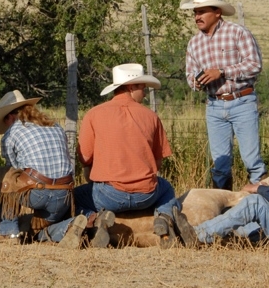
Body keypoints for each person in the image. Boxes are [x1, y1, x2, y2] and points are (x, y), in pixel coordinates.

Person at [63, 63, 183, 249]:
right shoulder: (151, 116)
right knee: (166, 188)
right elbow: (157, 163)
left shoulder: (94, 114)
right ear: (131, 87)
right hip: (147, 195)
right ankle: (164, 218)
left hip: (108, 195)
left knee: (74, 197)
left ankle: (95, 218)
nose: (144, 92)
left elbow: (85, 158)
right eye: (142, 87)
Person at [182, 0, 266, 190]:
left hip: (242, 101)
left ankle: (262, 206)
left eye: (201, 11)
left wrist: (222, 72)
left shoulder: (238, 33)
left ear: (217, 12)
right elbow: (190, 76)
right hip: (214, 106)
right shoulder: (194, 44)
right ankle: (222, 210)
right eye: (195, 12)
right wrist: (198, 81)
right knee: (219, 165)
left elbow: (254, 65)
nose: (197, 17)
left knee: (252, 161)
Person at [0, 90, 75, 244]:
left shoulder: (11, 134)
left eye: (5, 120)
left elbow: (13, 171)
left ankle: (8, 232)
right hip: (64, 196)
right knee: (38, 229)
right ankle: (69, 227)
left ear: (10, 116)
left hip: (37, 194)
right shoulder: (55, 126)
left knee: (5, 178)